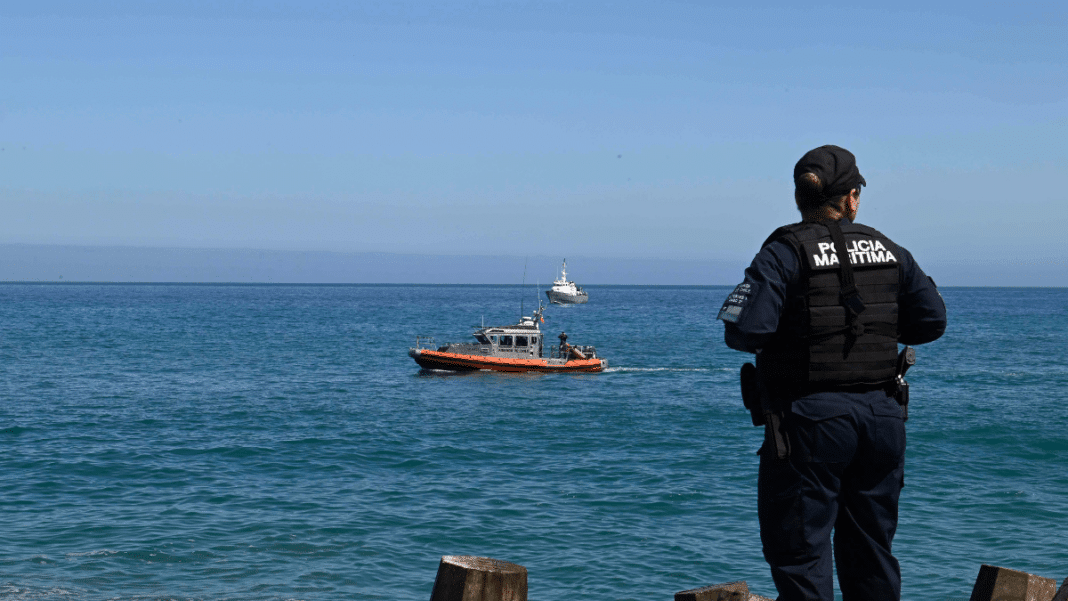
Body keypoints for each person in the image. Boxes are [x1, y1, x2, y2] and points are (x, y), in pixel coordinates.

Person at [716, 145, 947, 601]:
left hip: (809, 422)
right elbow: (932, 321)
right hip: (883, 420)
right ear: (852, 198)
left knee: (800, 554)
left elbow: (745, 332)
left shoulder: (783, 251)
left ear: (800, 198)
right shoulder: (888, 249)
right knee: (872, 552)